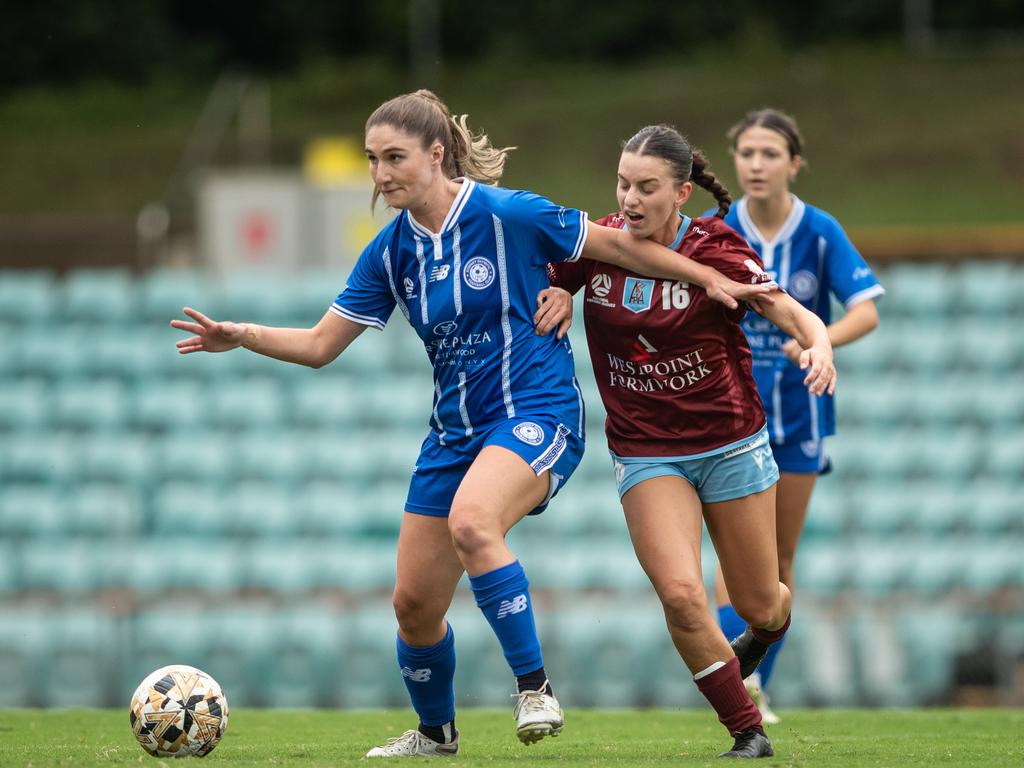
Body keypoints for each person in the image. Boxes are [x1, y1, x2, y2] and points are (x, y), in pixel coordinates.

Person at [170, 90, 774, 759]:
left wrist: (708, 280)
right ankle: (436, 734)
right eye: (372, 160)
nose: (380, 174)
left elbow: (624, 248)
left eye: (393, 157)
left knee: (471, 523)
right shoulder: (391, 252)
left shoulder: (509, 213)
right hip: (455, 433)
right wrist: (243, 334)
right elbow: (319, 346)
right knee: (412, 604)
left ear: (436, 153)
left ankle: (535, 688)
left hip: (536, 413)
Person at [538, 124, 835, 759]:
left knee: (762, 600)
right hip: (647, 451)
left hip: (731, 445)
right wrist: (561, 292)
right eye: (623, 184)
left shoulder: (716, 246)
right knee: (680, 594)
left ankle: (769, 628)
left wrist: (823, 346)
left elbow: (789, 311)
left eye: (647, 188)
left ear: (680, 193)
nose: (631, 199)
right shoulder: (601, 237)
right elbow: (554, 273)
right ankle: (747, 732)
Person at [711, 109, 884, 724]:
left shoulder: (819, 230)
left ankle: (758, 685)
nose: (756, 165)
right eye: (747, 153)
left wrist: (821, 339)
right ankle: (736, 688)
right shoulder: (714, 228)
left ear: (793, 162)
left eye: (770, 154)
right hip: (727, 417)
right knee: (736, 557)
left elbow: (865, 309)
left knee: (779, 558)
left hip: (801, 414)